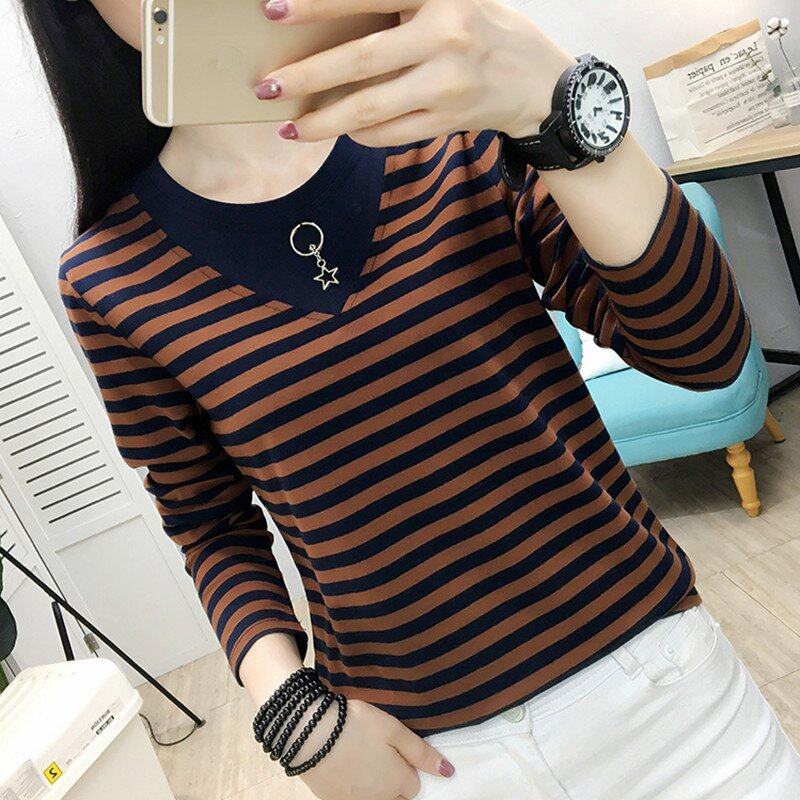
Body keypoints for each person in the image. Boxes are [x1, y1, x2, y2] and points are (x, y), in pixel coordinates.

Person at [21, 0, 800, 797]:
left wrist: (553, 98)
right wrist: (297, 721)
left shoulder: (452, 121)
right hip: (429, 761)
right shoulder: (110, 276)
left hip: (662, 693)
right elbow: (209, 525)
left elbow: (705, 352)